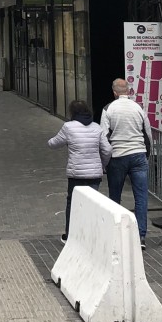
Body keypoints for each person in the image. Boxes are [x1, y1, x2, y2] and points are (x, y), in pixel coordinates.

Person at [48, 100, 112, 242]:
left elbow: (53, 143)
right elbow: (107, 150)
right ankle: (91, 235)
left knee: (73, 203)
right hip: (94, 174)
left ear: (72, 112)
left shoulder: (68, 127)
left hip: (76, 173)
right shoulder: (96, 127)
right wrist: (102, 165)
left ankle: (70, 235)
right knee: (92, 204)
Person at [100, 78, 152, 247]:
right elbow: (148, 133)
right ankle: (141, 236)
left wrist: (105, 162)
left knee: (115, 197)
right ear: (128, 91)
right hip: (138, 155)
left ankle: (116, 235)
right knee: (141, 197)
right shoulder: (138, 108)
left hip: (118, 156)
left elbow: (103, 137)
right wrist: (147, 155)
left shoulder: (108, 109)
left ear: (114, 92)